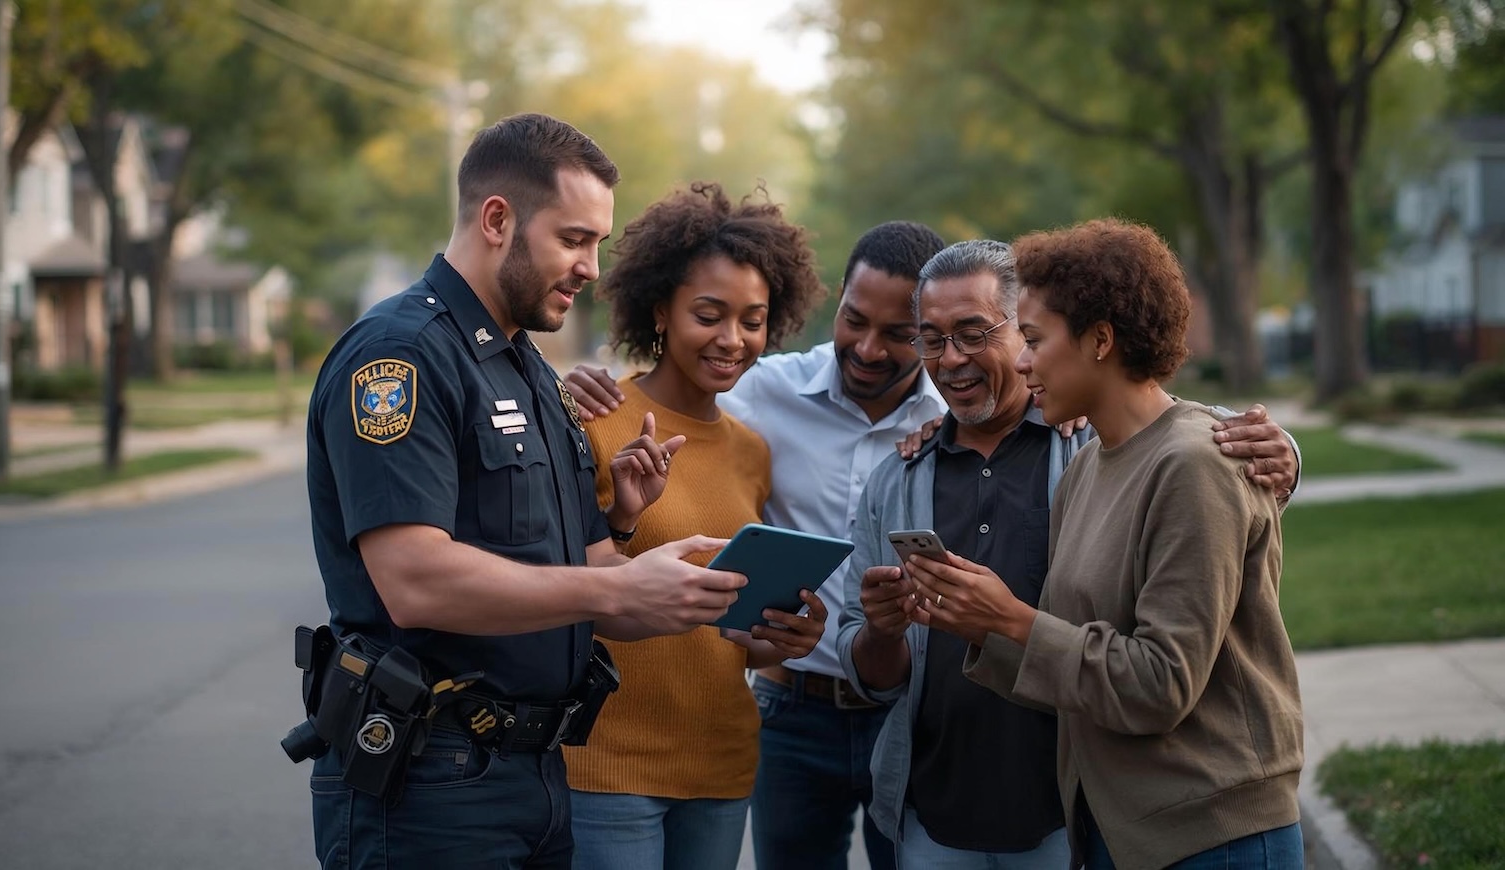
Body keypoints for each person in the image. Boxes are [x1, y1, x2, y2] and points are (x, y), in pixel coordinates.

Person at [565, 224, 1302, 869]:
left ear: (1022, 334)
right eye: (925, 336)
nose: (939, 357)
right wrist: (565, 389)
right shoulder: (786, 407)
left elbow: (1179, 440)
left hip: (1072, 794)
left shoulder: (1080, 447)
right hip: (861, 750)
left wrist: (1282, 453)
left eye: (979, 335)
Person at [303, 113, 748, 870]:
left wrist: (686, 583)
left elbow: (593, 567)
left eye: (598, 244)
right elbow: (413, 581)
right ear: (498, 219)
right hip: (429, 782)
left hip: (535, 776)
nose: (591, 268)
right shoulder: (400, 356)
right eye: (573, 239)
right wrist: (615, 592)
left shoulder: (529, 371)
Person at [837, 238, 1305, 869]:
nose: (1024, 366)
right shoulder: (1088, 466)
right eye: (931, 339)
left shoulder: (1179, 457)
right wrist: (931, 624)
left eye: (1025, 339)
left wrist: (1004, 618)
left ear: (1100, 341)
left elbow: (1160, 680)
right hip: (1105, 820)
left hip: (1202, 831)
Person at [562, 181, 831, 870]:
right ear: (661, 309)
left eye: (753, 319)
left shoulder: (751, 450)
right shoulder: (593, 421)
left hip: (720, 762)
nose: (732, 339)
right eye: (709, 314)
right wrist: (622, 513)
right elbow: (558, 589)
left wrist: (785, 638)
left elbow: (734, 635)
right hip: (607, 762)